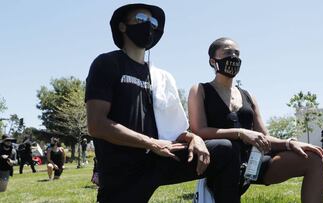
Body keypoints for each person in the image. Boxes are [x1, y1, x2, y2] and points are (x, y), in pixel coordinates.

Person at [85, 4, 241, 203]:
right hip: (122, 168)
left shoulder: (161, 76)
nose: (149, 25)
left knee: (225, 150)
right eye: (141, 18)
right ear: (123, 26)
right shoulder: (107, 63)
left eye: (154, 22)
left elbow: (173, 128)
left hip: (158, 158)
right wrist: (151, 143)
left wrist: (195, 139)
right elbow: (96, 124)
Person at [188, 37, 323, 203]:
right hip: (221, 162)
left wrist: (289, 143)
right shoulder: (200, 90)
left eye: (236, 54)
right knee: (228, 152)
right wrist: (241, 133)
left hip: (253, 163)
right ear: (213, 61)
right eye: (227, 53)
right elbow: (198, 130)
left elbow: (263, 137)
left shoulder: (248, 96)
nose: (233, 57)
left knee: (314, 159)